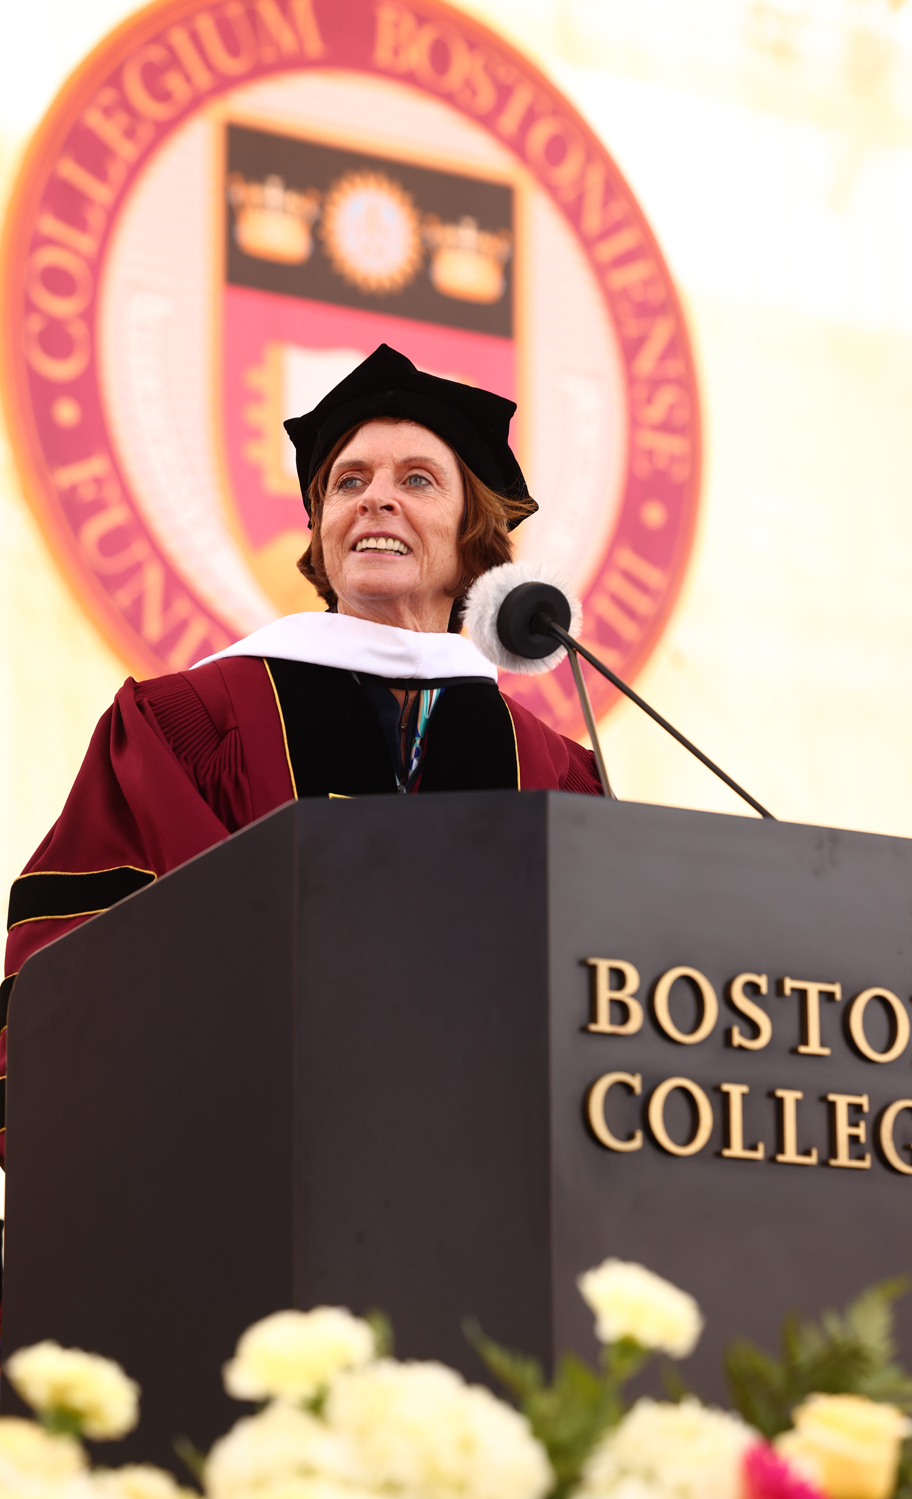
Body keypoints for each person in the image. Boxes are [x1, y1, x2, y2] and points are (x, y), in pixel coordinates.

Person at [1, 344, 602, 1157]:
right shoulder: (187, 720)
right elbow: (70, 963)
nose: (375, 499)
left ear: (473, 540)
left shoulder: (555, 771)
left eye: (417, 480)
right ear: (320, 534)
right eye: (348, 482)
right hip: (232, 1173)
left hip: (488, 1181)